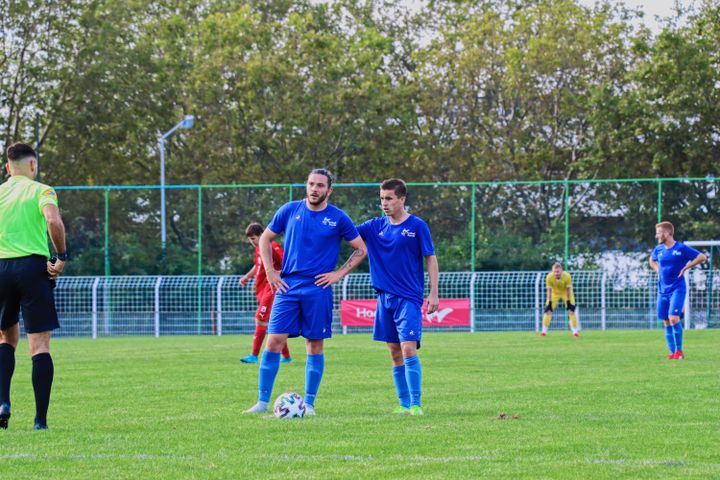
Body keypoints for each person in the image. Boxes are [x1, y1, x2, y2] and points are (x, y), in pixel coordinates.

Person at [243, 169, 367, 415]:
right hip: (287, 287)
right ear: (306, 186)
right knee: (274, 341)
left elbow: (361, 249)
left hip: (318, 288)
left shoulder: (338, 218)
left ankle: (309, 404)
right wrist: (270, 271)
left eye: (320, 185)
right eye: (311, 184)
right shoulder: (289, 210)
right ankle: (262, 403)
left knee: (314, 345)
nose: (315, 189)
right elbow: (266, 239)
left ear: (329, 190)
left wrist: (338, 274)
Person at [357, 179, 439, 416]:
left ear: (402, 199)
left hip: (409, 298)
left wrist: (433, 293)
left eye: (390, 198)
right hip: (384, 298)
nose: (385, 203)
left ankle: (415, 404)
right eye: (382, 198)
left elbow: (430, 258)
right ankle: (403, 404)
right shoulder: (374, 226)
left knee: (408, 349)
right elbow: (346, 233)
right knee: (394, 352)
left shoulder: (417, 226)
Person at [0, 143, 67, 430]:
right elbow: (53, 220)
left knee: (5, 338)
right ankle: (40, 420)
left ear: (7, 168)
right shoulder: (42, 190)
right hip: (32, 268)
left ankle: (3, 401)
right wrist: (61, 255)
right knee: (39, 344)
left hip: (1, 268)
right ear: (33, 165)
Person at [649, 221, 706, 360]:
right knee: (666, 321)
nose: (657, 236)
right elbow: (651, 260)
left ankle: (679, 351)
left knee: (673, 318)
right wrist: (658, 271)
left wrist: (687, 267)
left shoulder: (681, 248)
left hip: (677, 288)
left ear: (667, 233)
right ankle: (673, 352)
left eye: (659, 233)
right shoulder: (658, 249)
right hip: (662, 290)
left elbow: (702, 257)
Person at [238, 222, 291, 364]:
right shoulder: (259, 249)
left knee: (260, 319)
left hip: (272, 288)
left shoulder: (273, 247)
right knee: (274, 323)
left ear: (262, 235)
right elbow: (258, 265)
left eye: (253, 238)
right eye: (249, 239)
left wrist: (279, 275)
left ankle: (254, 355)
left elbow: (287, 262)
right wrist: (246, 277)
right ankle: (286, 357)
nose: (251, 242)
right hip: (262, 290)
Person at [542, 263, 579, 337]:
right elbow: (549, 290)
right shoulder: (549, 277)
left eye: (558, 272)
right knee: (548, 311)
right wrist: (549, 302)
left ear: (561, 271)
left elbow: (568, 290)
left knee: (571, 311)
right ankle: (544, 332)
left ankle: (575, 332)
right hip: (554, 293)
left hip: (566, 293)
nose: (556, 273)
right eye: (554, 272)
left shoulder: (567, 276)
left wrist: (568, 302)